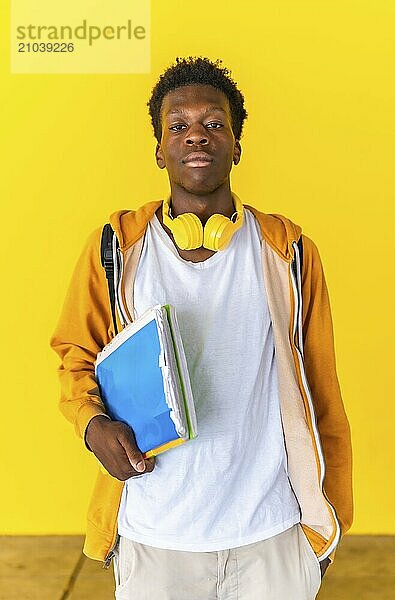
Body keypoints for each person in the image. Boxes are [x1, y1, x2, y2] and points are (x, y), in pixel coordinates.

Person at [50, 56, 353, 599]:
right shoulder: (116, 248)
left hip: (272, 533)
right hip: (155, 535)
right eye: (178, 126)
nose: (196, 136)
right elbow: (75, 353)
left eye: (214, 124)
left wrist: (329, 527)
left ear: (236, 145)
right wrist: (92, 424)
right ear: (159, 149)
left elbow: (321, 391)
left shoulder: (288, 252)